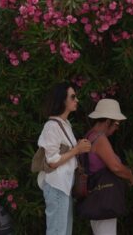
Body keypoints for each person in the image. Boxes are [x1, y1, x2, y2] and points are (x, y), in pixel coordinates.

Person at [37, 82, 91, 235]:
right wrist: (77, 149)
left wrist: (77, 148)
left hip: (63, 185)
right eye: (72, 97)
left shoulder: (64, 124)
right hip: (57, 185)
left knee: (64, 231)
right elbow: (52, 161)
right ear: (62, 100)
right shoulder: (52, 126)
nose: (77, 100)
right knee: (58, 231)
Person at [85, 99, 133, 235]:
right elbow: (115, 167)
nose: (117, 128)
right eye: (116, 123)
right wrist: (130, 175)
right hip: (104, 197)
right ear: (108, 122)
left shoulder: (89, 135)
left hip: (96, 196)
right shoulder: (100, 139)